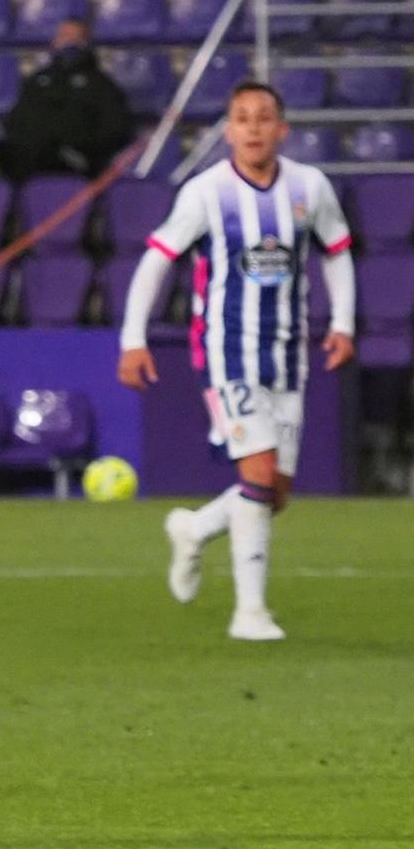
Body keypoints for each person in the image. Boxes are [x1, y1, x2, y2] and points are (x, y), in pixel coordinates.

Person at [117, 80, 355, 642]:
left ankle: (195, 529)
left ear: (282, 129)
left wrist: (342, 324)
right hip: (226, 352)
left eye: (263, 117)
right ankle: (250, 613)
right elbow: (156, 262)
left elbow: (338, 251)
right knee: (256, 474)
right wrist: (134, 337)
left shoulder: (309, 186)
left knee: (275, 493)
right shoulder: (206, 193)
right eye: (242, 118)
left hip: (287, 352)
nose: (253, 127)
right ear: (228, 131)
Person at [0, 19, 134, 181]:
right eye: (63, 36)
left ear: (86, 42)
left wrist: (84, 150)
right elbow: (15, 120)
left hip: (74, 160)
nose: (68, 41)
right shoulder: (38, 80)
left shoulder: (102, 85)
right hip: (29, 157)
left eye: (74, 37)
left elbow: (115, 130)